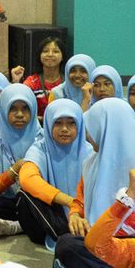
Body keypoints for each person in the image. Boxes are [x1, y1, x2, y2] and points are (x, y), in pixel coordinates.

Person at [53, 100, 135, 268]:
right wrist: (75, 215)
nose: (87, 136)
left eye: (92, 128)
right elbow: (80, 200)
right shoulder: (90, 164)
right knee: (67, 245)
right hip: (98, 241)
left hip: (134, 248)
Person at [14, 100, 87, 252]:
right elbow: (27, 178)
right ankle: (65, 239)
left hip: (84, 218)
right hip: (53, 221)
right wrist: (70, 202)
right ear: (48, 125)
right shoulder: (40, 148)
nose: (64, 129)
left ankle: (73, 241)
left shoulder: (90, 151)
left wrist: (77, 209)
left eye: (71, 123)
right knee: (25, 194)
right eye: (58, 123)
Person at [0, 85, 42, 238]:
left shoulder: (43, 139)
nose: (19, 115)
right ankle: (26, 223)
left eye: (25, 108)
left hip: (38, 200)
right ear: (3, 110)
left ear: (33, 110)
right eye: (13, 109)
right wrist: (13, 171)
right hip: (11, 201)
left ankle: (17, 226)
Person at [13, 35, 67, 109]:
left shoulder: (68, 82)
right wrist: (16, 82)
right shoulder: (32, 82)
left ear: (62, 56)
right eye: (45, 51)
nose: (50, 55)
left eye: (55, 51)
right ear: (39, 56)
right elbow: (19, 103)